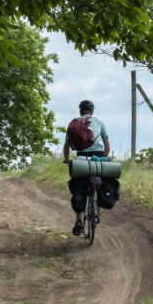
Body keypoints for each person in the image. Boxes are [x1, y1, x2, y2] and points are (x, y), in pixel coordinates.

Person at [62, 99, 110, 236]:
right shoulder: (99, 123)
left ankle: (78, 221)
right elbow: (107, 146)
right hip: (99, 157)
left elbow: (66, 146)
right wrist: (103, 158)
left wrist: (67, 160)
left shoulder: (73, 124)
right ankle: (98, 203)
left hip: (81, 159)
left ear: (80, 111)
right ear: (92, 111)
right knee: (102, 181)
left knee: (78, 186)